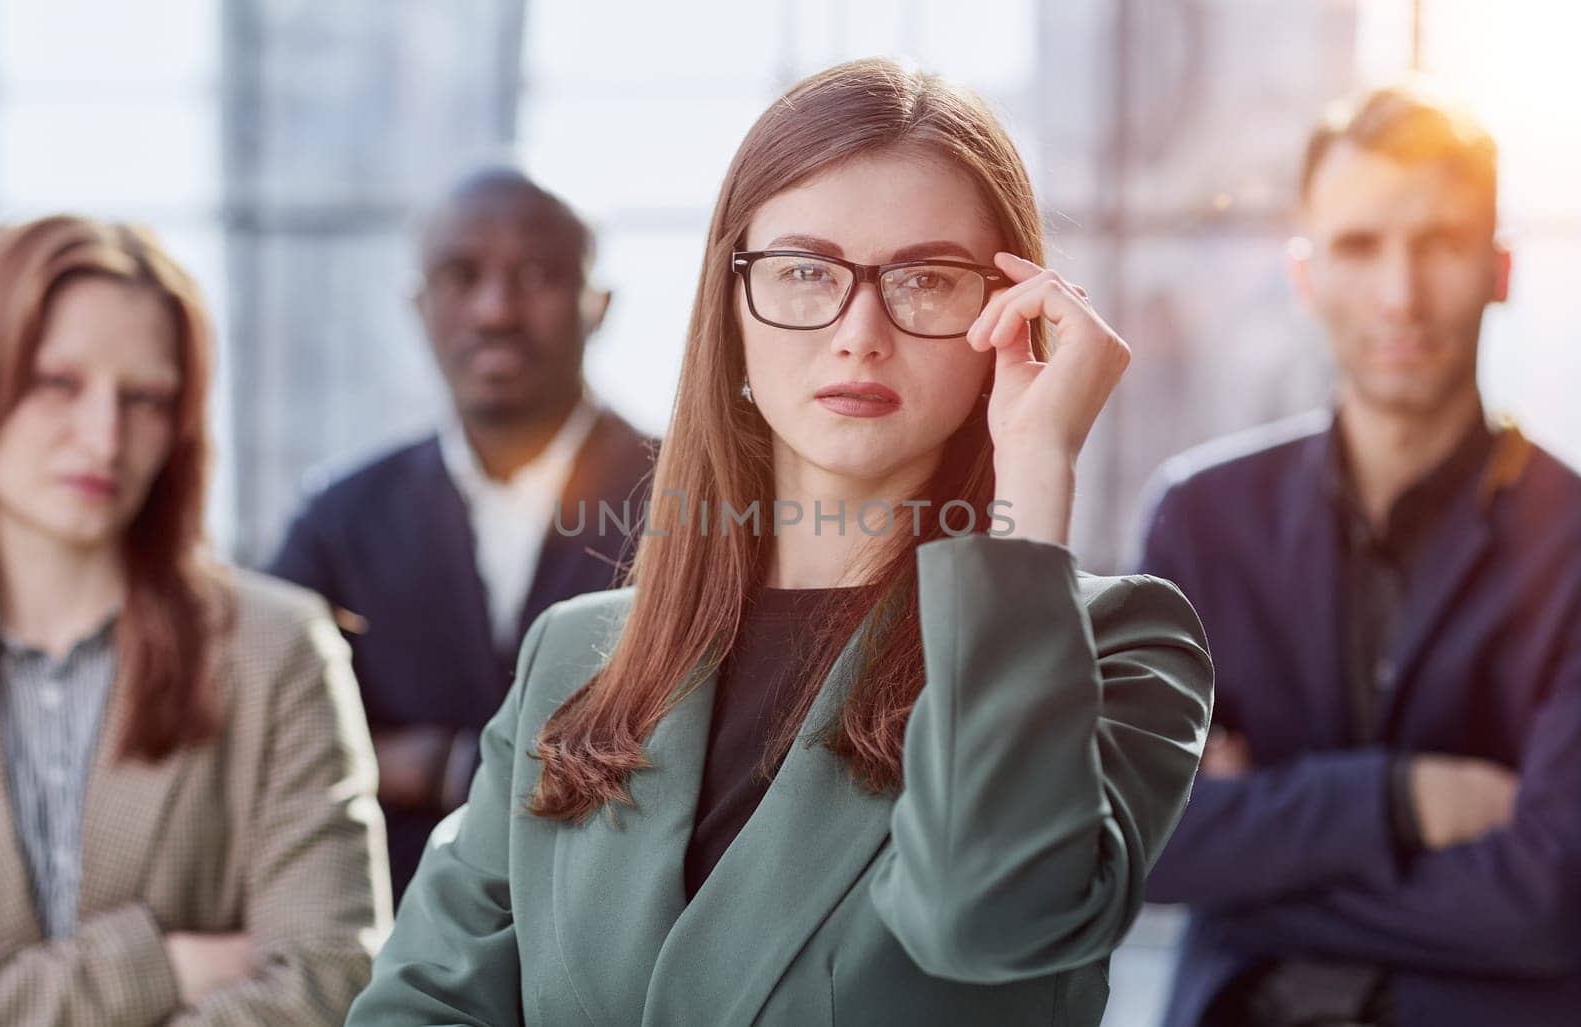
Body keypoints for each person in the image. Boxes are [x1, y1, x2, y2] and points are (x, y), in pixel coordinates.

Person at [346, 58, 1213, 1026]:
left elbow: (992, 920)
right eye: (805, 271)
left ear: (1006, 316)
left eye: (926, 279)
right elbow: (416, 1007)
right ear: (732, 306)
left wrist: (1035, 466)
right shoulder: (579, 657)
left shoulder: (1119, 645)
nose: (859, 330)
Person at [1139, 82, 1581, 1026]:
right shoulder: (1199, 519)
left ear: (1501, 269)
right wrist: (1404, 798)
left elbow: (1552, 899)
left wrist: (1253, 853)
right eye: (1358, 245)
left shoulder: (1575, 538)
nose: (1400, 293)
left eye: (1441, 244)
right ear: (1305, 275)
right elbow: (1143, 840)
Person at [0, 215, 389, 1024]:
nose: (104, 438)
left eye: (146, 398)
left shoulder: (277, 650)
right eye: (59, 382)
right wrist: (161, 965)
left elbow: (328, 982)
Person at [266, 167, 656, 901]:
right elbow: (256, 738)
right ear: (418, 305)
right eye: (459, 274)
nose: (495, 310)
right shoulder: (339, 519)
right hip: (401, 948)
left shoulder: (694, 503)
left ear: (598, 304)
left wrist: (435, 764)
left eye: (538, 274)